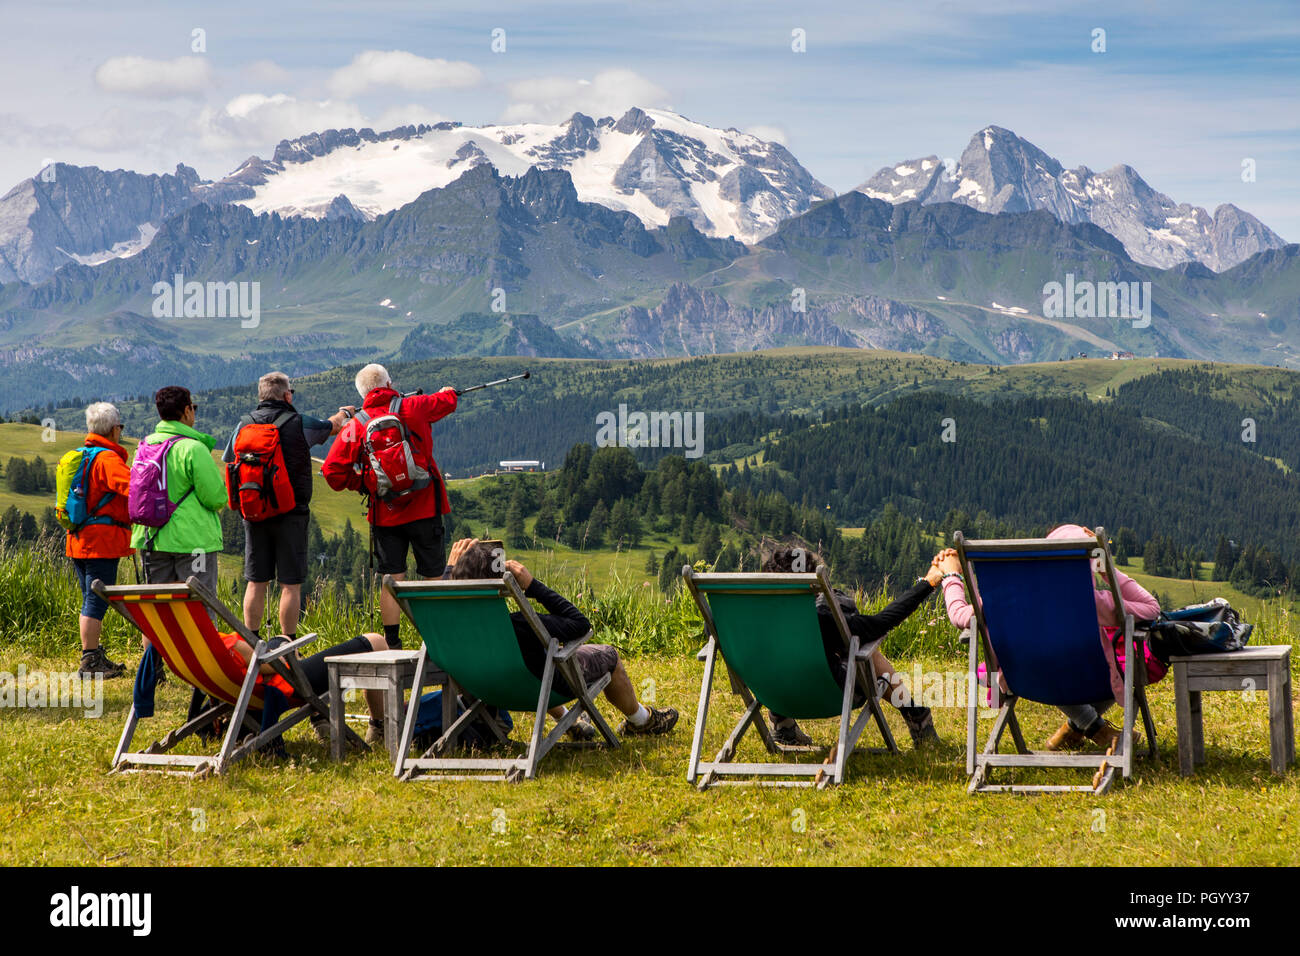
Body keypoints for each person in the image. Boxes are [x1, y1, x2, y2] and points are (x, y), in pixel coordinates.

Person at [934, 523, 1162, 752]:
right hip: (1091, 679)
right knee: (1097, 668)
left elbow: (958, 615)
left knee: (1048, 663)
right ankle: (1094, 728)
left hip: (1023, 680)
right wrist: (1102, 560)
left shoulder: (1004, 601)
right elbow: (1151, 608)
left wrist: (951, 575)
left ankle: (1085, 726)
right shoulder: (1092, 602)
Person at [444, 538, 678, 737]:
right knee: (608, 655)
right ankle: (642, 721)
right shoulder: (519, 625)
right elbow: (580, 625)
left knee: (533, 662)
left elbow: (441, 607)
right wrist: (532, 586)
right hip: (538, 689)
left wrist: (450, 571)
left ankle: (571, 722)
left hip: (486, 690)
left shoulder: (449, 629)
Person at [321, 364, 456, 652]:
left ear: (362, 393)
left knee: (391, 578)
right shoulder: (414, 406)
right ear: (389, 382)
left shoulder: (357, 424)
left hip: (386, 512)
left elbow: (332, 471)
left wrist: (364, 483)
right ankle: (438, 640)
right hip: (424, 505)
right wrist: (447, 392)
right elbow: (447, 402)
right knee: (432, 574)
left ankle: (392, 643)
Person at [761, 547, 943, 749]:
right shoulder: (821, 618)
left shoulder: (748, 620)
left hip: (772, 694)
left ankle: (782, 725)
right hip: (828, 695)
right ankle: (917, 717)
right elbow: (882, 623)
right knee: (865, 649)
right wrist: (928, 583)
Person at [222, 372, 353, 640]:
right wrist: (345, 413)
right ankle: (288, 643)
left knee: (256, 581)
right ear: (287, 395)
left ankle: (252, 641)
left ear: (261, 396)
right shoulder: (299, 423)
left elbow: (229, 459)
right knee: (290, 584)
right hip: (291, 513)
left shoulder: (243, 425)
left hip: (254, 511)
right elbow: (333, 426)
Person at [212, 628, 391, 760]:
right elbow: (271, 663)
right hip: (288, 683)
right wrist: (282, 656)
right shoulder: (228, 643)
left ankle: (318, 715)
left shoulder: (205, 647)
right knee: (375, 642)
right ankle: (378, 727)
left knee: (282, 638)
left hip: (246, 691)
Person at [130, 386, 226, 595]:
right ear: (186, 411)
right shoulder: (193, 448)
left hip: (152, 538)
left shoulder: (144, 445)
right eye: (194, 407)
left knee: (160, 608)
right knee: (200, 606)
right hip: (194, 542)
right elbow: (215, 498)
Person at [67, 402, 133, 677]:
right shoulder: (107, 459)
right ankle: (90, 661)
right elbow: (132, 488)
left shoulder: (81, 454)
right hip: (101, 542)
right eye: (121, 427)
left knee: (89, 597)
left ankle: (92, 657)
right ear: (114, 429)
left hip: (78, 539)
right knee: (97, 600)